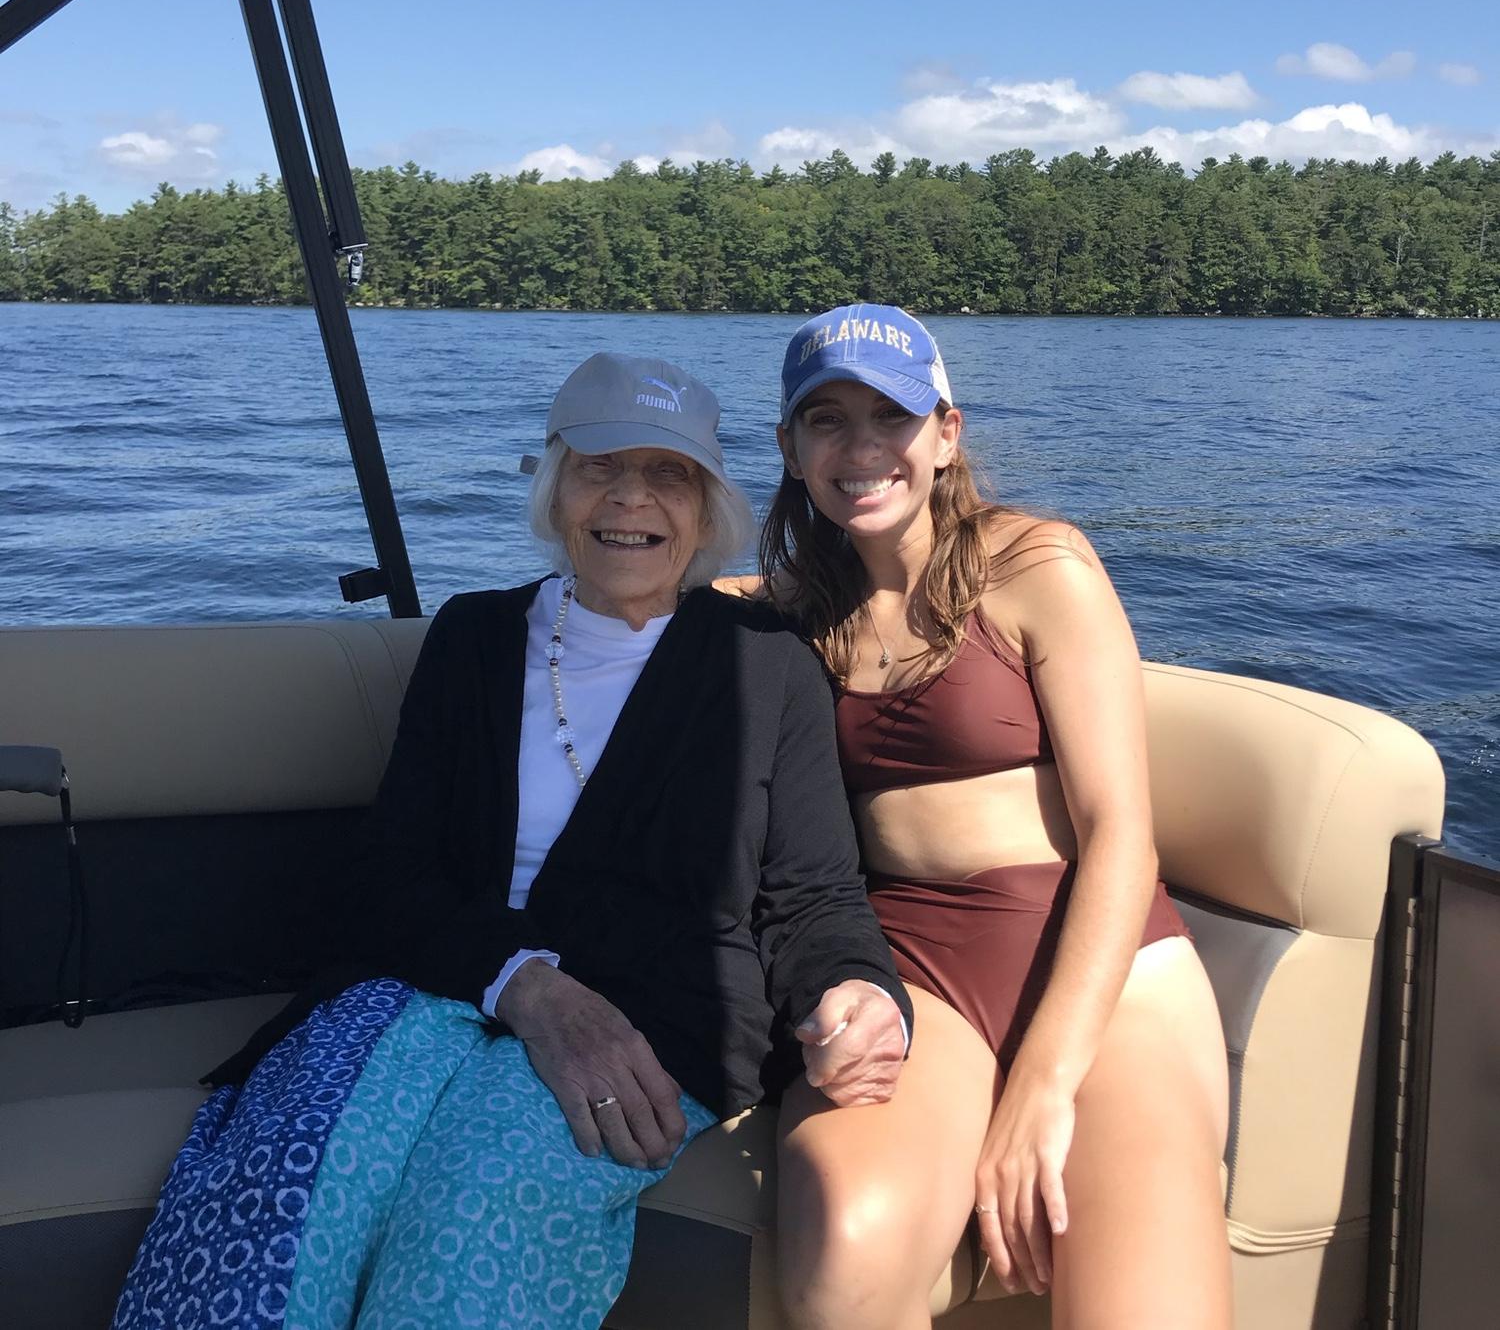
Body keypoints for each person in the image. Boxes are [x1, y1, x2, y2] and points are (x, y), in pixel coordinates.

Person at [112, 351, 911, 1330]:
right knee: (291, 1199)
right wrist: (526, 986)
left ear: (707, 508)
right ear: (555, 485)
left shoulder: (767, 668)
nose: (631, 498)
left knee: (476, 1214)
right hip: (438, 988)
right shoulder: (474, 638)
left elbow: (814, 897)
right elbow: (384, 876)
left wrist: (860, 993)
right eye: (599, 466)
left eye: (667, 472)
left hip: (656, 1020)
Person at [756, 306, 1232, 1329]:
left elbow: (1119, 832)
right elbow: (649, 593)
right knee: (846, 1249)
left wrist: (1042, 1085)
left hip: (1105, 964)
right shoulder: (790, 613)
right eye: (827, 421)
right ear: (790, 450)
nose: (862, 448)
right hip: (915, 968)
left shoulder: (1037, 566)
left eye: (892, 416)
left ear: (946, 434)